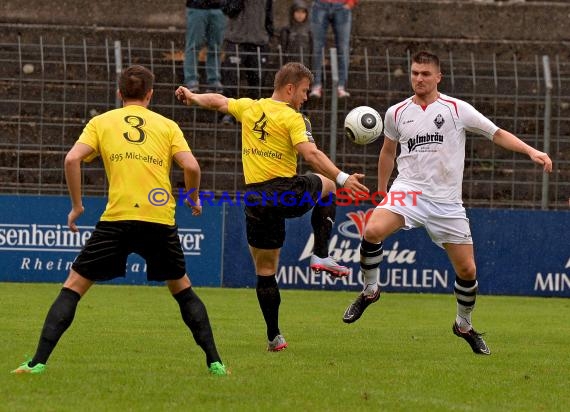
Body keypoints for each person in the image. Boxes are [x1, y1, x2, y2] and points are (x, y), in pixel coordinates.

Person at [12, 65, 227, 376]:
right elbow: (191, 166)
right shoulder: (167, 126)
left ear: (119, 93)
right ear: (150, 95)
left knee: (73, 286)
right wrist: (192, 197)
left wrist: (77, 206)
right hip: (158, 219)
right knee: (182, 289)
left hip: (118, 217)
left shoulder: (102, 122)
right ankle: (215, 363)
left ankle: (36, 363)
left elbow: (72, 159)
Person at [342, 51, 553, 355]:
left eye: (425, 74)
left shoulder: (456, 109)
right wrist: (382, 190)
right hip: (409, 191)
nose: (419, 79)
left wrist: (531, 152)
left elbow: (496, 133)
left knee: (467, 270)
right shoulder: (396, 112)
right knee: (372, 230)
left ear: (438, 77)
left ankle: (463, 324)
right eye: (415, 73)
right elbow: (388, 152)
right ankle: (370, 290)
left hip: (446, 202)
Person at [175, 62, 369, 351]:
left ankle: (274, 335)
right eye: (303, 91)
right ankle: (320, 254)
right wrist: (342, 177)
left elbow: (219, 101)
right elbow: (311, 154)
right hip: (284, 191)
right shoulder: (294, 118)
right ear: (290, 88)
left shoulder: (250, 107)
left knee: (265, 270)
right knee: (328, 185)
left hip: (255, 198)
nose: (305, 97)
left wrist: (192, 97)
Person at [220, 0, 274, 125]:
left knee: (257, 82)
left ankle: (252, 115)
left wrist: (268, 34)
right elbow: (227, 9)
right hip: (236, 41)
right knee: (231, 80)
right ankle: (228, 115)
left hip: (259, 42)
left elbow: (269, 14)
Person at [309, 0, 357, 99]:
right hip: (319, 5)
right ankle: (316, 85)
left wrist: (351, 2)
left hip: (342, 6)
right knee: (316, 47)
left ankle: (341, 86)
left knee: (343, 48)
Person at [183, 0, 227, 93]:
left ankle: (214, 80)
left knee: (215, 47)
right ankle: (191, 79)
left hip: (218, 8)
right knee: (193, 46)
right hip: (196, 7)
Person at [279, 0, 312, 64]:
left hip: (305, 66)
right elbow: (283, 51)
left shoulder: (309, 31)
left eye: (303, 12)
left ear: (306, 14)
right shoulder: (286, 30)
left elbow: (312, 52)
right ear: (292, 12)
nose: (300, 15)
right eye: (297, 12)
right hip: (290, 65)